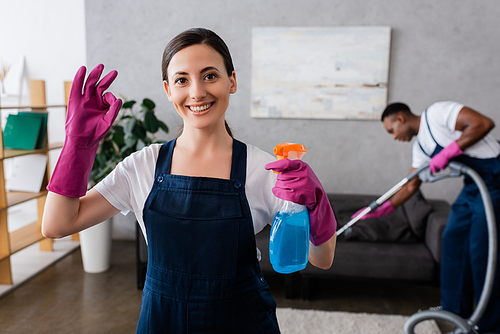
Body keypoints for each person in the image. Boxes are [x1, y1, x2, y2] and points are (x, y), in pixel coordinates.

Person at [41, 27, 337, 333]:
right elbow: (57, 225)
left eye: (210, 75)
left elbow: (321, 258)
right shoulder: (143, 166)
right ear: (169, 90)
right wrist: (77, 146)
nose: (197, 92)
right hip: (162, 323)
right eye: (182, 80)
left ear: (231, 81)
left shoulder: (264, 169)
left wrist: (315, 201)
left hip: (243, 322)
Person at [354, 101, 500, 333]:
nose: (393, 137)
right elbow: (411, 186)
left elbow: (483, 124)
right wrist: (381, 208)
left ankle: (490, 325)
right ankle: (454, 312)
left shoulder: (437, 113)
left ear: (400, 118)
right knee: (453, 238)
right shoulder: (421, 148)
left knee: (483, 252)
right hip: (473, 185)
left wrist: (451, 151)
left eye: (391, 130)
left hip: (495, 178)